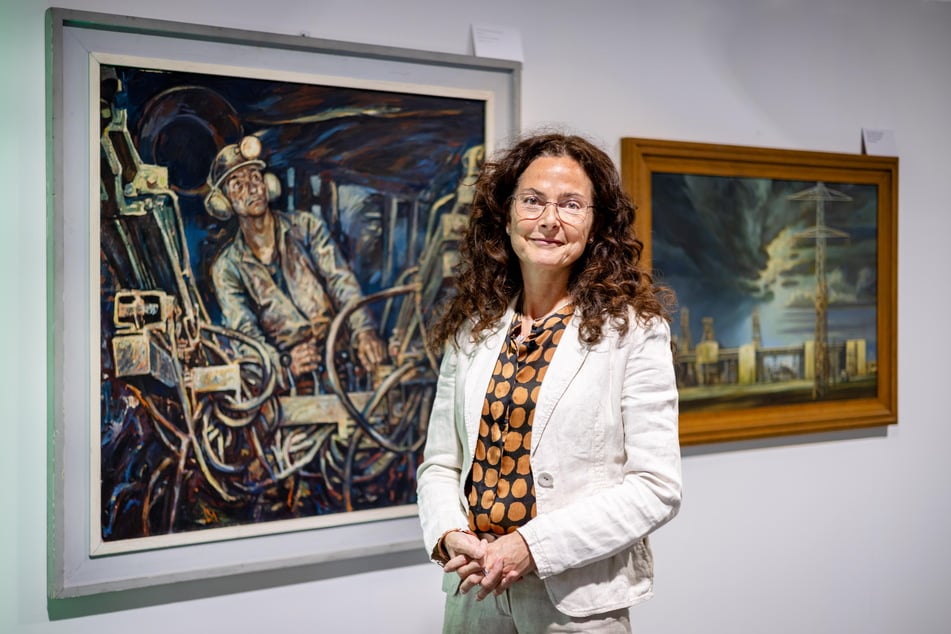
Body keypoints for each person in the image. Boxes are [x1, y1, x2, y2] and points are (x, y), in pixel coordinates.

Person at [416, 132, 682, 632]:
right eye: (533, 200)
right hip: (474, 595)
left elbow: (656, 487)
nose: (549, 220)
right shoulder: (472, 330)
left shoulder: (635, 333)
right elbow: (440, 464)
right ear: (506, 214)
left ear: (596, 224)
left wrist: (531, 547)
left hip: (575, 605)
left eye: (571, 205)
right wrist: (450, 534)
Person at [207, 136, 385, 393]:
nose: (251, 189)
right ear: (223, 203)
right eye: (237, 185)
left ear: (268, 184)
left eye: (255, 178)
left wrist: (364, 330)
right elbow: (245, 336)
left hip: (342, 364)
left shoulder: (307, 227)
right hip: (293, 386)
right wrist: (285, 365)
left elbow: (341, 281)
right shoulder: (226, 268)